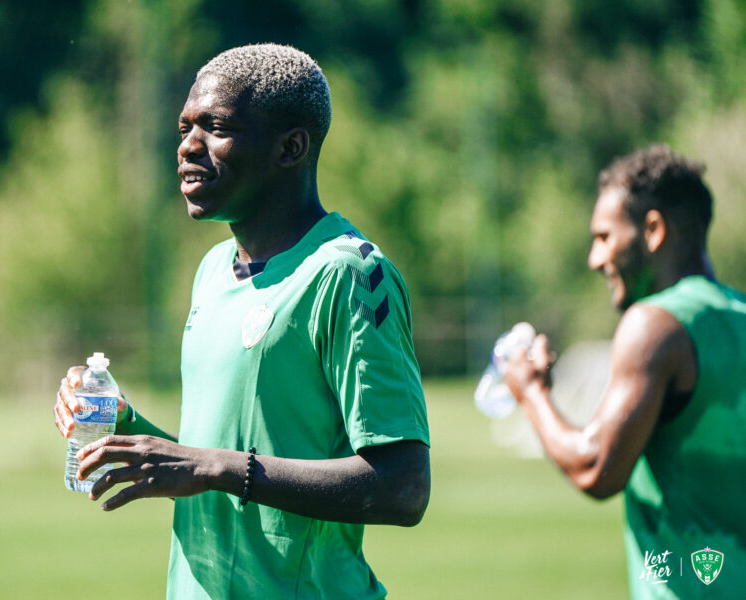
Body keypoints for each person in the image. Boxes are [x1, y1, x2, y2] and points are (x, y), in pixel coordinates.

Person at [53, 43, 430, 599]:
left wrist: (217, 465)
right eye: (184, 128)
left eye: (216, 127)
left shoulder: (348, 274)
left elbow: (402, 488)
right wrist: (131, 431)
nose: (187, 146)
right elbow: (216, 459)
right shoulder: (212, 271)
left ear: (291, 147)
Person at [505, 144, 745, 598]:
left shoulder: (654, 324)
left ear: (653, 229)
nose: (595, 259)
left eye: (604, 237)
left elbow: (597, 468)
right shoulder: (740, 315)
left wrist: (531, 392)